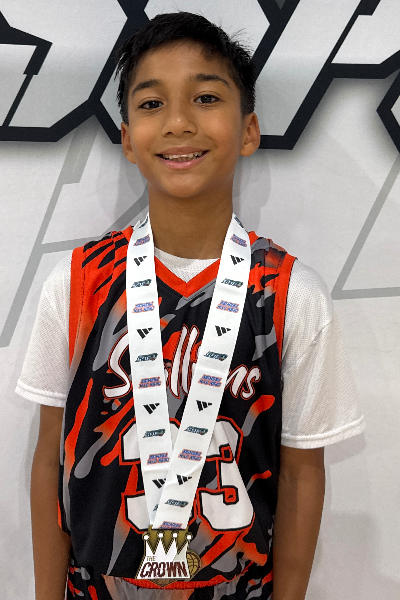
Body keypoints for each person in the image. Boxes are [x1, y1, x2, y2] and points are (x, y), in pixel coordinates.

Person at [16, 12, 365, 600]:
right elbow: (52, 455)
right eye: (152, 104)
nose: (179, 122)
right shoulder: (77, 283)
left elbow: (303, 474)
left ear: (248, 130)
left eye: (205, 97)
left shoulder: (291, 294)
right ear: (128, 139)